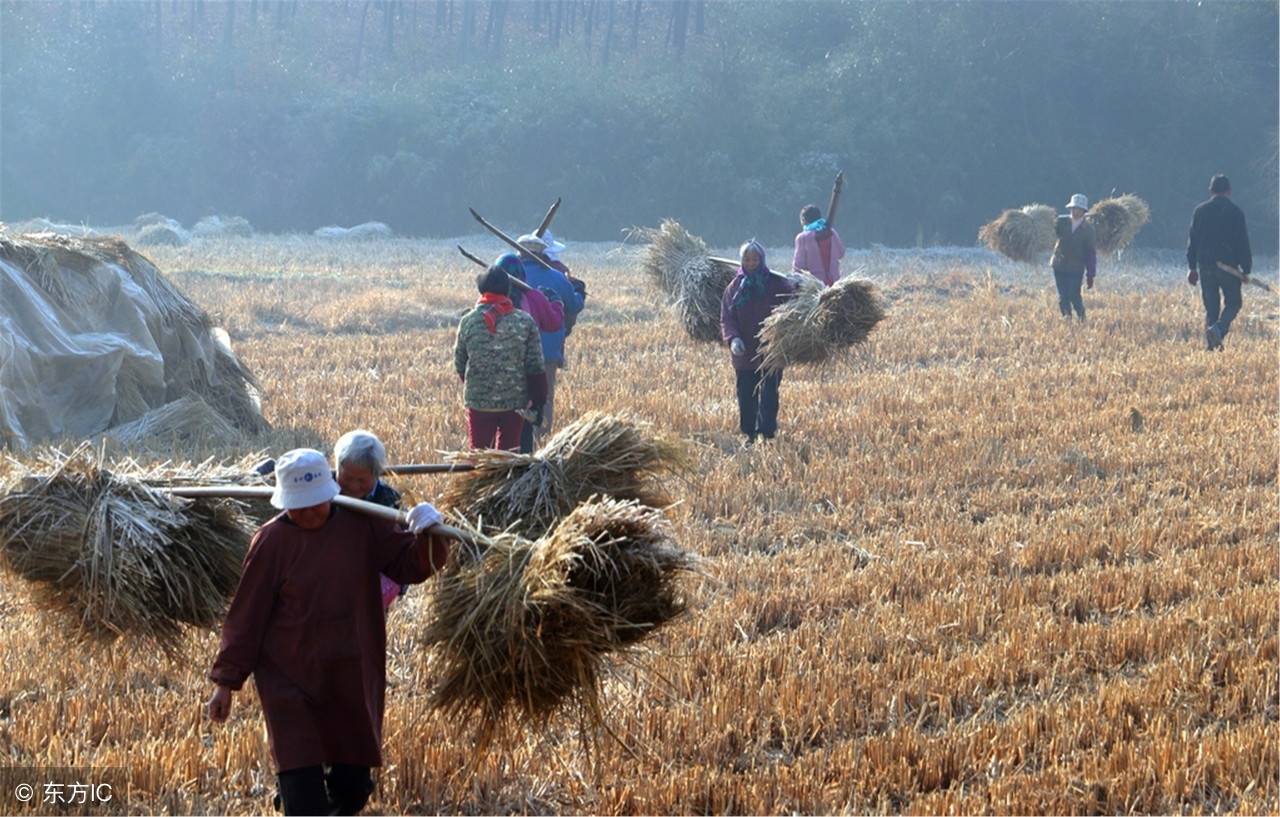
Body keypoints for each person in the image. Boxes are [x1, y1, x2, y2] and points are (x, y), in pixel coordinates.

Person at [208, 448, 453, 816]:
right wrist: (225, 681)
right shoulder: (271, 542)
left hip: (349, 672)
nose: (308, 512)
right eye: (298, 505)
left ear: (330, 493)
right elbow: (247, 616)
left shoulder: (364, 524)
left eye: (315, 503)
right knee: (302, 791)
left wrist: (429, 534)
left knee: (352, 790)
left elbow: (410, 566)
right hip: (288, 676)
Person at [453, 264, 548, 452]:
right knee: (508, 457)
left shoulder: (468, 321)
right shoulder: (524, 321)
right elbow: (535, 367)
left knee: (479, 457)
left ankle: (479, 481)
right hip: (514, 404)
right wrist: (538, 401)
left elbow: (460, 363)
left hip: (478, 402)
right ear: (507, 290)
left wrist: (477, 386)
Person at [720, 239, 798, 447]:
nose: (751, 263)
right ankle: (749, 434)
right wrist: (733, 339)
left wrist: (800, 284)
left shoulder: (776, 283)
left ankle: (767, 433)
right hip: (744, 351)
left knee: (769, 392)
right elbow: (727, 318)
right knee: (746, 392)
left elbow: (793, 301)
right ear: (741, 261)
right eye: (747, 259)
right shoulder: (734, 288)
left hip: (771, 349)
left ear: (762, 260)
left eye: (755, 259)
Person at [515, 233, 586, 451]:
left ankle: (516, 445)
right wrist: (579, 289)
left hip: (514, 351)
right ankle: (540, 445)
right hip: (547, 351)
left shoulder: (508, 275)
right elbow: (574, 305)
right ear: (544, 254)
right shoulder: (556, 277)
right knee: (543, 400)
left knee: (516, 398)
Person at [334, 429, 406, 612]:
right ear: (337, 466)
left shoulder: (389, 500)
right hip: (329, 585)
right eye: (347, 477)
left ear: (377, 475)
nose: (354, 486)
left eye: (362, 480)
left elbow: (402, 549)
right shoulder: (323, 493)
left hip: (372, 590)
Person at [1187, 174, 1253, 351]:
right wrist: (1246, 270)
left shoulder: (1199, 211)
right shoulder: (1236, 212)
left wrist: (1192, 268)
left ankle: (1211, 346)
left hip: (1205, 265)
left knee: (1211, 307)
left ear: (1210, 190)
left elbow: (1193, 242)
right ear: (1229, 191)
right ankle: (1219, 329)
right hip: (1229, 266)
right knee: (1233, 303)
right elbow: (1243, 243)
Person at [1049, 193, 1098, 321]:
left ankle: (1081, 316)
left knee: (1074, 294)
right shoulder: (1061, 223)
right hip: (1059, 265)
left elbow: (1090, 254)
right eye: (1073, 208)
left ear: (1084, 211)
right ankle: (1067, 319)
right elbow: (1048, 233)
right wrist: (1048, 220)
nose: (1075, 211)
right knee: (1063, 296)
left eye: (1079, 209)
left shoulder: (1088, 230)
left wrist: (1090, 275)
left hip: (1076, 268)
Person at [792, 203, 846, 286]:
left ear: (804, 220)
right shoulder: (831, 232)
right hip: (835, 283)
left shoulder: (803, 237)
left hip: (815, 286)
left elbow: (798, 266)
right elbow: (841, 253)